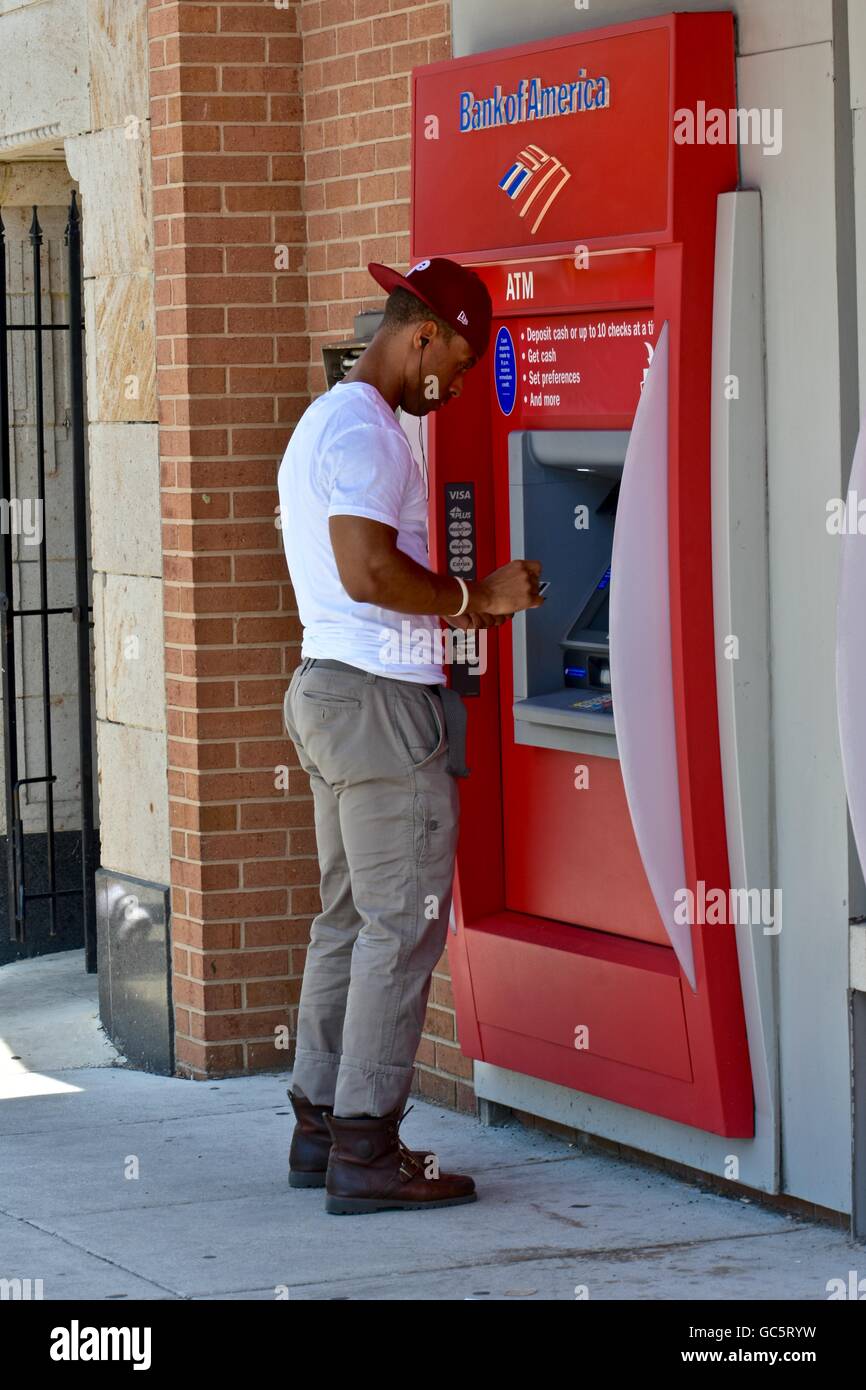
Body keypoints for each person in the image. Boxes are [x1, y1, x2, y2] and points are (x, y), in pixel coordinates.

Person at [277, 256, 543, 1215]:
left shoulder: (327, 421)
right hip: (382, 704)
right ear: (422, 333)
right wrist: (477, 599)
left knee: (348, 919)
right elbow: (366, 570)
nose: (460, 384)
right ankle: (368, 1153)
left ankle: (321, 1128)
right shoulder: (372, 435)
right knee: (403, 924)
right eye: (460, 363)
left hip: (331, 693)